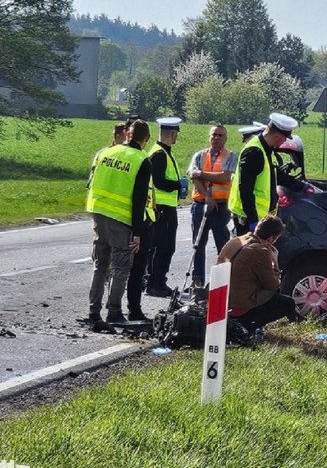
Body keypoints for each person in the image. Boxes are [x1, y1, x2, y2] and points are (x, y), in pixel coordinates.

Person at [85, 120, 153, 329]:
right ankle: (114, 311)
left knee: (100, 266)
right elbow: (139, 199)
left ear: (127, 134)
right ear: (146, 139)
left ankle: (93, 311)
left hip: (99, 213)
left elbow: (92, 181)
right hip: (121, 219)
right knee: (122, 267)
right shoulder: (142, 160)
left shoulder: (106, 152)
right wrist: (138, 232)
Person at [216, 214, 300, 332]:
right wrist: (275, 261)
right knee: (287, 303)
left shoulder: (235, 241)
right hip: (238, 307)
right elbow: (273, 285)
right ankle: (246, 326)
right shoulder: (261, 251)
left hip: (221, 302)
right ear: (271, 239)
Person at [228, 113, 308, 236]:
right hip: (248, 219)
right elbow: (245, 189)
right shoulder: (254, 152)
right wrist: (253, 220)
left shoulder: (266, 149)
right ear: (278, 137)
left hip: (261, 218)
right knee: (250, 254)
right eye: (285, 139)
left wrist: (300, 186)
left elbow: (276, 175)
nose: (284, 142)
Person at [186, 125, 237, 288]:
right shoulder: (199, 155)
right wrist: (207, 197)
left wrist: (201, 173)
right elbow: (193, 178)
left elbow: (226, 177)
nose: (216, 138)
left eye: (220, 135)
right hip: (201, 204)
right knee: (198, 244)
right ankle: (198, 280)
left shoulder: (230, 156)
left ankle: (222, 282)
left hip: (221, 207)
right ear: (209, 137)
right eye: (214, 135)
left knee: (223, 245)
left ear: (225, 139)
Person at [145, 117, 185, 298]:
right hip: (162, 208)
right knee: (163, 247)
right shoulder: (159, 154)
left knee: (164, 247)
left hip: (165, 206)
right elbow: (159, 182)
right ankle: (155, 283)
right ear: (173, 134)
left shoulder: (163, 152)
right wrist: (178, 185)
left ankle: (159, 281)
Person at [86, 123, 125, 189]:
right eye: (126, 137)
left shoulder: (101, 152)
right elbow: (93, 173)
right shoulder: (103, 153)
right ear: (118, 136)